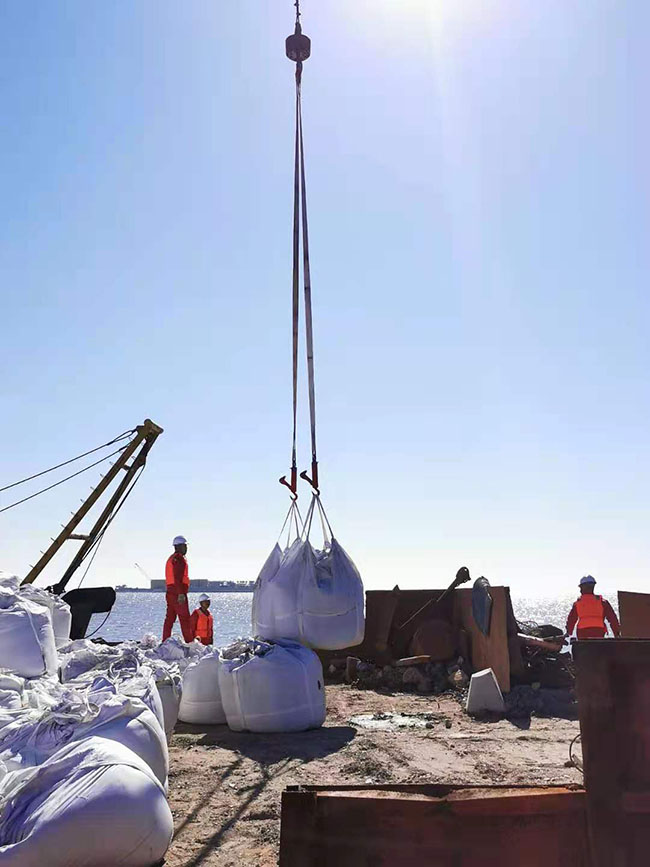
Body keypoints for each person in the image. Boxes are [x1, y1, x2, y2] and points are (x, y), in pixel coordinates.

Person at [565, 575, 621, 640]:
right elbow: (612, 619)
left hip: (582, 633)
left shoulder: (577, 603)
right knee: (597, 648)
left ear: (582, 587)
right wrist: (616, 634)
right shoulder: (602, 602)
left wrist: (568, 632)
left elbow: (571, 619)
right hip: (598, 631)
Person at [162, 535, 193, 642]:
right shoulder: (179, 559)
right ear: (178, 547)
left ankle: (165, 641)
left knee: (169, 619)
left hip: (170, 592)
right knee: (185, 619)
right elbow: (178, 577)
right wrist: (181, 593)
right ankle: (190, 642)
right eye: (184, 546)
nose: (186, 548)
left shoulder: (172, 559)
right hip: (178, 593)